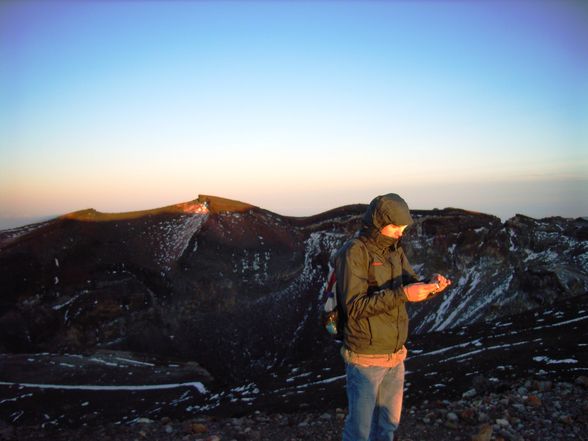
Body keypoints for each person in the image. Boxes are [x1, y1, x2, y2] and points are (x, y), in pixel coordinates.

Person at [334, 193, 451, 441]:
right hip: (365, 358)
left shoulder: (394, 249)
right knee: (359, 432)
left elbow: (409, 284)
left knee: (387, 426)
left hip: (395, 355)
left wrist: (430, 286)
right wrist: (404, 294)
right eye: (396, 227)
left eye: (404, 228)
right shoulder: (355, 252)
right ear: (379, 222)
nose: (401, 233)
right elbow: (354, 307)